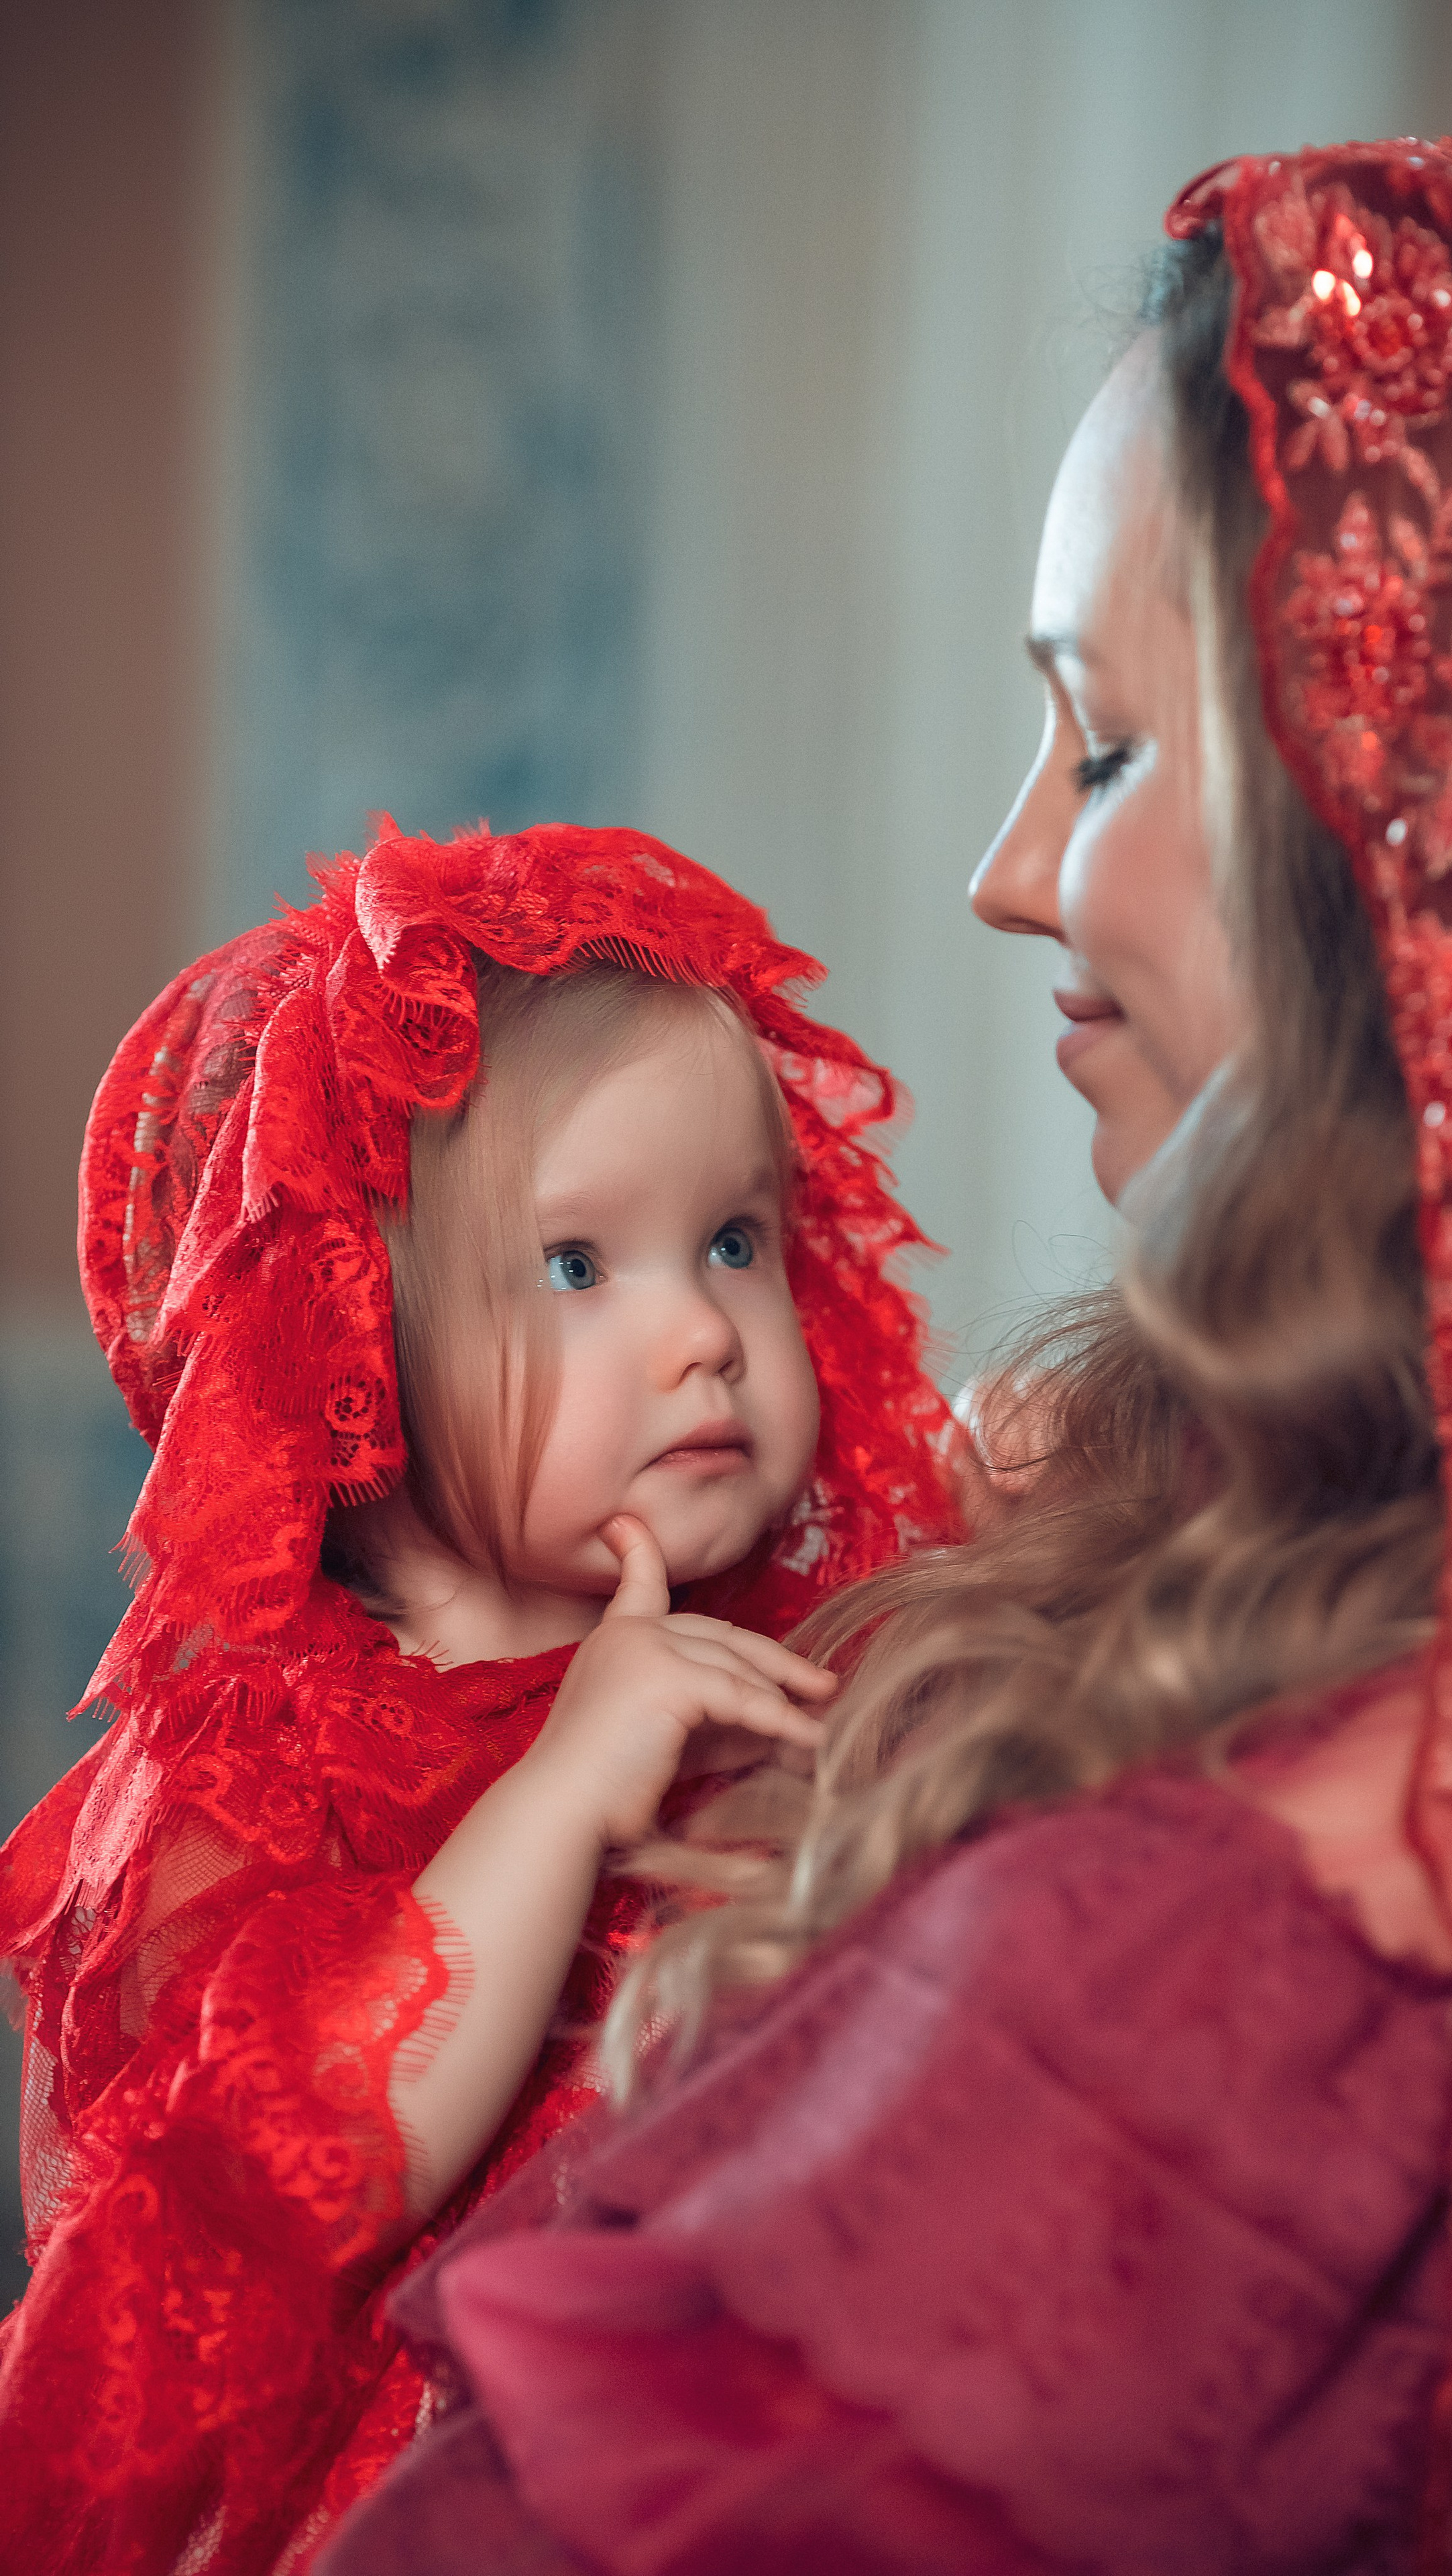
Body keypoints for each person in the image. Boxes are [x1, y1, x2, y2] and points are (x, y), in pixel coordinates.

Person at [321, 134, 1452, 2575]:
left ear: (1434, 844)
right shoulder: (1220, 1521)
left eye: (1107, 745)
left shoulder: (1227, 1960)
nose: (1003, 875)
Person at [0, 820, 961, 2575]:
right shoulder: (255, 1778)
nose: (705, 1334)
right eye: (581, 1267)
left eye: (735, 1241)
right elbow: (300, 2166)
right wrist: (560, 1794)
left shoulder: (795, 1642)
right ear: (350, 1355)